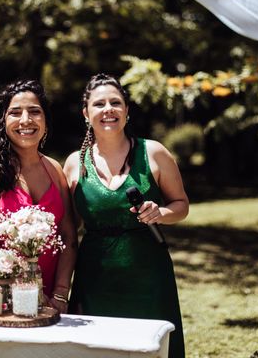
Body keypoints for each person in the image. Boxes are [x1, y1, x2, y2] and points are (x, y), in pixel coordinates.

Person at [63, 73, 189, 358]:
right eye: (99, 104)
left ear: (126, 111)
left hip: (147, 273)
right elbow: (70, 227)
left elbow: (181, 204)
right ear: (86, 114)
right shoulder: (74, 163)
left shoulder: (154, 153)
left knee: (151, 348)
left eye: (115, 103)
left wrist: (160, 212)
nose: (108, 109)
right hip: (95, 275)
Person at [0, 80, 77, 312]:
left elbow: (69, 236)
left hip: (48, 297)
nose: (26, 120)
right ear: (3, 120)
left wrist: (60, 294)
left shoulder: (54, 169)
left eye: (35, 111)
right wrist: (28, 290)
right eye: (15, 112)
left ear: (45, 121)